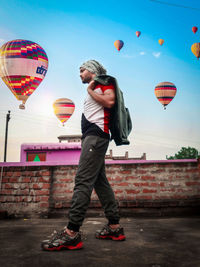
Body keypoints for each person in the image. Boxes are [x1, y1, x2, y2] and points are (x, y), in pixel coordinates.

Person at [41, 60, 126, 251]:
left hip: (95, 138)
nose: (79, 74)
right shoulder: (97, 85)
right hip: (94, 138)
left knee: (82, 181)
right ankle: (115, 227)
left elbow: (110, 101)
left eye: (82, 70)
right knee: (99, 182)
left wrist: (90, 90)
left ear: (92, 70)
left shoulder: (103, 82)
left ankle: (71, 233)